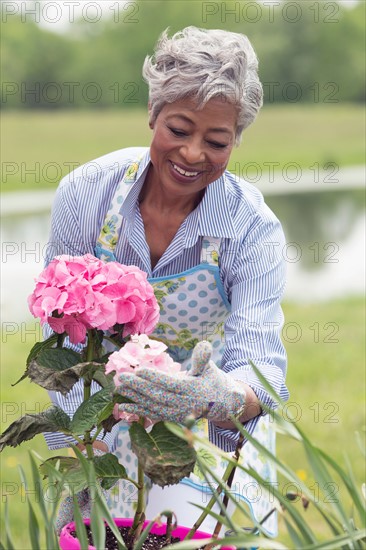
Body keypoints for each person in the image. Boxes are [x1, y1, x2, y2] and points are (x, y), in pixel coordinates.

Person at [45, 26, 289, 536]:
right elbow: (61, 341)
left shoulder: (252, 227)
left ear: (236, 140)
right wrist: (80, 456)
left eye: (217, 140)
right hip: (106, 433)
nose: (194, 153)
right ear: (154, 115)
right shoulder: (87, 193)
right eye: (179, 129)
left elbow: (263, 366)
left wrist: (219, 397)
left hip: (204, 441)